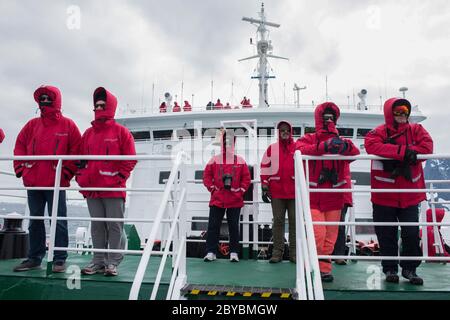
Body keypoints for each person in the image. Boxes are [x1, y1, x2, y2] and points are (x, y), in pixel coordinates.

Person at [13, 85, 82, 273]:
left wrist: (65, 174)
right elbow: (19, 146)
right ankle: (34, 258)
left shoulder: (68, 125)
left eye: (48, 98)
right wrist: (21, 169)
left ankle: (60, 259)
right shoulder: (31, 125)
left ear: (56, 100)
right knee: (35, 220)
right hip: (33, 181)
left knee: (58, 220)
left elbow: (76, 150)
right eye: (41, 99)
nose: (44, 102)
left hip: (55, 183)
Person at [365, 97, 433, 285]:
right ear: (390, 113)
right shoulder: (378, 132)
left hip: (410, 193)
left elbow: (427, 146)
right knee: (386, 234)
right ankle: (390, 270)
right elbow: (372, 145)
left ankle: (410, 269)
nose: (402, 114)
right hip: (384, 193)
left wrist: (401, 152)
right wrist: (405, 152)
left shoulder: (417, 130)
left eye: (405, 110)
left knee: (411, 233)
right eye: (398, 111)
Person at [76, 87, 137, 276]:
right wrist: (81, 177)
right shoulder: (88, 134)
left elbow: (130, 159)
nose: (99, 108)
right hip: (92, 188)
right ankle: (98, 261)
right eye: (96, 105)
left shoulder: (121, 132)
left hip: (113, 188)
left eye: (102, 104)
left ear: (110, 106)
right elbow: (78, 158)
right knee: (97, 226)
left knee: (114, 226)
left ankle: (113, 263)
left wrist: (119, 178)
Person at [296, 102, 360, 282]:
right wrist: (324, 147)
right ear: (319, 118)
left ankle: (324, 269)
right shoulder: (309, 139)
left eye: (332, 117)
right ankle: (310, 265)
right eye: (326, 117)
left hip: (334, 196)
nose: (329, 120)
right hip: (314, 196)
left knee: (330, 237)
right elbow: (298, 151)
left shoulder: (341, 140)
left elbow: (354, 152)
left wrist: (339, 144)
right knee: (318, 234)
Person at [203, 129, 251, 262]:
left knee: (234, 227)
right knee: (213, 226)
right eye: (226, 140)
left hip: (234, 200)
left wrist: (240, 191)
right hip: (218, 199)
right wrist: (212, 189)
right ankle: (211, 252)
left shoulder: (240, 160)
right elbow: (206, 176)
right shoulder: (214, 160)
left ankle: (234, 252)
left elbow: (246, 178)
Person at [260, 121, 297, 263]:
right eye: (282, 130)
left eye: (287, 130)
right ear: (278, 132)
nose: (285, 132)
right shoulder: (272, 149)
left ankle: (294, 254)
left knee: (294, 223)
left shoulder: (297, 147)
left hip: (294, 192)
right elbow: (265, 167)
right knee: (278, 222)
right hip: (277, 192)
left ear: (291, 131)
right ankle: (277, 253)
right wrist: (264, 186)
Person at [332, 175, 353, 265]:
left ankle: (339, 255)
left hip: (341, 195)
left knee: (339, 226)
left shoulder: (343, 162)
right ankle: (335, 255)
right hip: (326, 194)